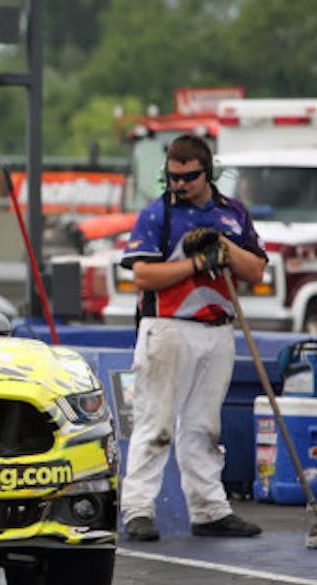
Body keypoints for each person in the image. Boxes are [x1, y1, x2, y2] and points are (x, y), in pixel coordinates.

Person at [118, 134, 268, 542]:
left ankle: (209, 509)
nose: (180, 184)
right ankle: (137, 508)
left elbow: (255, 270)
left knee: (204, 425)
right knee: (156, 422)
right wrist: (197, 262)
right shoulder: (157, 215)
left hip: (218, 329)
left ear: (208, 172)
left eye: (189, 177)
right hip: (167, 327)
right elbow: (143, 275)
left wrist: (222, 247)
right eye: (173, 177)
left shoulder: (233, 213)